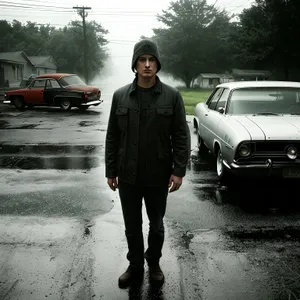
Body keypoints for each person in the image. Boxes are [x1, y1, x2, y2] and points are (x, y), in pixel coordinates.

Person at [105, 39, 190, 288]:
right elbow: (112, 135)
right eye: (142, 60)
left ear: (157, 64)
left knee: (156, 225)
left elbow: (181, 135)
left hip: (158, 174)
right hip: (127, 174)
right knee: (132, 225)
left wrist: (178, 171)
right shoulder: (121, 96)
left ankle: (153, 263)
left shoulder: (172, 96)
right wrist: (111, 169)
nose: (147, 64)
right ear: (135, 64)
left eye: (151, 60)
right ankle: (134, 266)